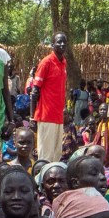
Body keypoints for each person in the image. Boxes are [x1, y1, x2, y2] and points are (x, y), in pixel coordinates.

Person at [29, 35, 70, 164]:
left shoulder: (63, 62)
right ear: (52, 45)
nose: (62, 44)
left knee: (56, 155)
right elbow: (34, 91)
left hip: (58, 116)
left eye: (64, 42)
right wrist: (32, 117)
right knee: (45, 157)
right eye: (59, 42)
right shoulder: (46, 62)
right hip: (46, 116)